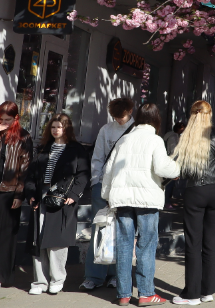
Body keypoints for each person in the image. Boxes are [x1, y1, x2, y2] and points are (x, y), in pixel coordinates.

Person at [102, 104, 180, 307]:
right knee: (146, 245)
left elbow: (109, 169)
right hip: (147, 199)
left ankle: (123, 295)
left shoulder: (124, 139)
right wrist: (177, 167)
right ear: (156, 119)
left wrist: (106, 195)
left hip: (122, 198)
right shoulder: (155, 140)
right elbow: (162, 167)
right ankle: (146, 294)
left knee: (124, 245)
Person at [171, 101, 215, 305]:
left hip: (195, 190)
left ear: (192, 115)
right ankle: (208, 291)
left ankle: (192, 294)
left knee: (193, 243)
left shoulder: (187, 136)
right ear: (210, 114)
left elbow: (180, 168)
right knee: (212, 241)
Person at [25, 114, 89, 296]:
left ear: (66, 128)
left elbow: (83, 174)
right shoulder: (44, 148)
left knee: (57, 241)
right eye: (53, 127)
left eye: (59, 127)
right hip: (41, 197)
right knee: (38, 239)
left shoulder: (76, 149)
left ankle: (57, 279)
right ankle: (39, 281)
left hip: (62, 199)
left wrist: (74, 195)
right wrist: (30, 195)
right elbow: (31, 175)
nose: (55, 130)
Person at [83, 97, 135, 291]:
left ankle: (116, 275)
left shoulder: (137, 130)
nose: (119, 120)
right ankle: (93, 276)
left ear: (130, 111)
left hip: (127, 188)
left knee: (122, 230)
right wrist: (96, 181)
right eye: (116, 116)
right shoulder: (106, 130)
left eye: (121, 116)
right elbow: (97, 157)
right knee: (98, 228)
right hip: (103, 186)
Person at [0, 101, 32, 289]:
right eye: (1, 119)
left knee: (5, 234)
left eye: (8, 120)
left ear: (16, 119)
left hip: (9, 191)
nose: (3, 123)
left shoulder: (23, 137)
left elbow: (25, 168)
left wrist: (19, 194)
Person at [162, 122, 186, 208]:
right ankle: (166, 202)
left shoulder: (171, 135)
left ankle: (167, 201)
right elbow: (173, 151)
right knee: (169, 183)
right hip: (171, 162)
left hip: (170, 161)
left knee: (170, 183)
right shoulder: (173, 137)